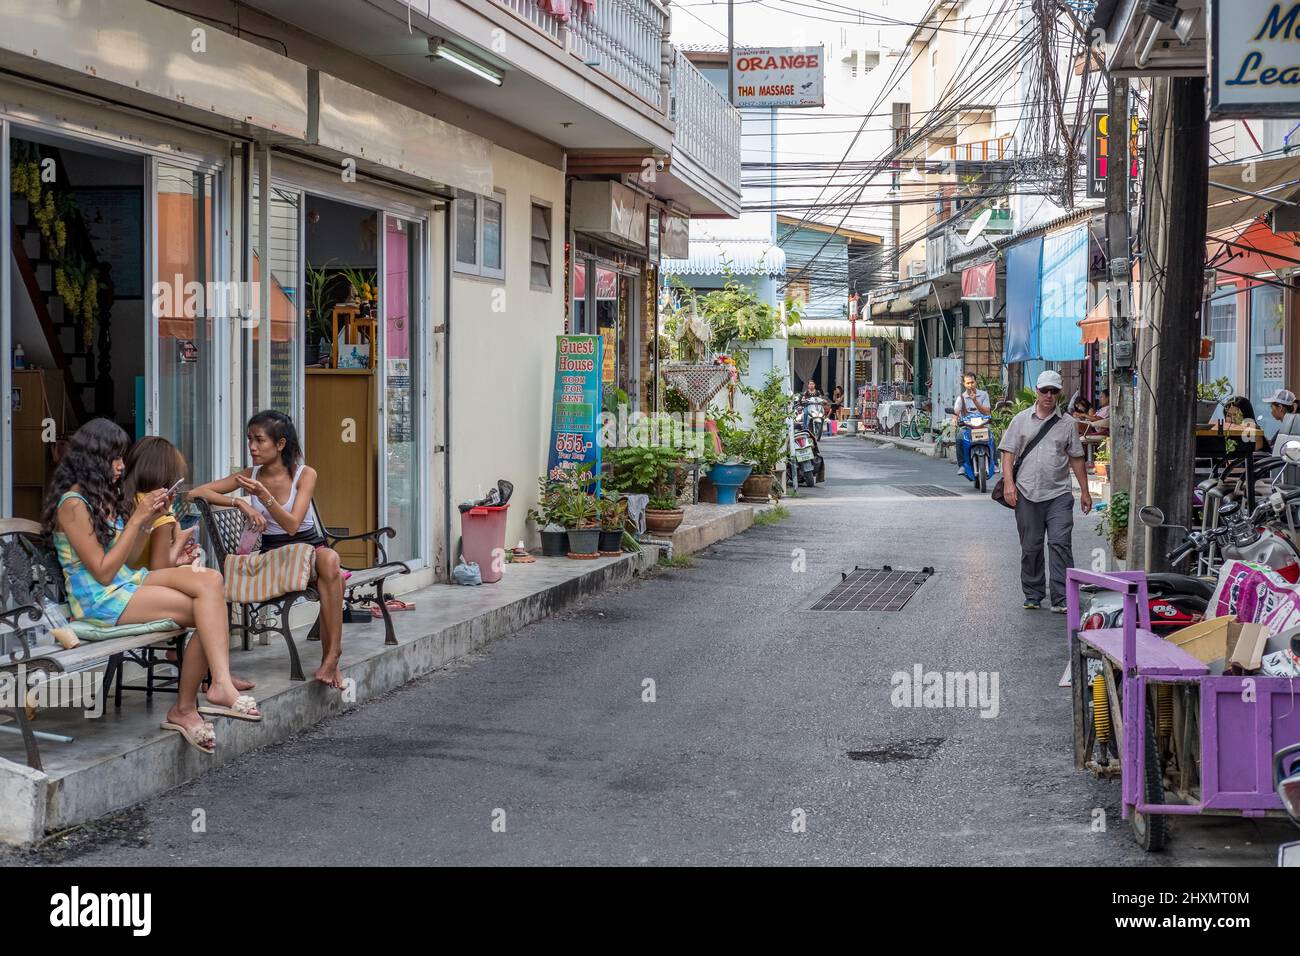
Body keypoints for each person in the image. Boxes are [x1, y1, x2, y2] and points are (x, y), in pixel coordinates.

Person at [42, 419, 260, 755]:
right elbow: (102, 572)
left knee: (212, 582)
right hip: (100, 601)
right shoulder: (73, 504)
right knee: (206, 610)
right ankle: (189, 705)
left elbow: (125, 561)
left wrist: (144, 521)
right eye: (114, 457)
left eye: (122, 457)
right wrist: (137, 520)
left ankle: (218, 684)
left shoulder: (101, 497)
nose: (121, 465)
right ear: (92, 458)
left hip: (123, 583)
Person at [191, 410, 347, 688]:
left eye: (259, 440)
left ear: (280, 444)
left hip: (308, 550)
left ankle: (332, 657)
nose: (252, 446)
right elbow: (197, 492)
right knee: (331, 565)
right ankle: (332, 658)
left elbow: (293, 525)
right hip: (276, 558)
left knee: (329, 560)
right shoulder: (250, 475)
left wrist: (264, 497)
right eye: (250, 439)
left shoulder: (304, 474)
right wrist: (241, 503)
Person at [123, 435, 255, 692]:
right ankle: (214, 677)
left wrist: (178, 555)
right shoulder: (160, 514)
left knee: (206, 588)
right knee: (211, 599)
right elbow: (160, 569)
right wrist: (178, 543)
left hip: (135, 581)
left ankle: (214, 676)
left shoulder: (132, 501)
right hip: (140, 588)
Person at [999, 370, 1092, 613]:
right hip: (1026, 494)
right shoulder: (1020, 419)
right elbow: (1008, 454)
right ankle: (1033, 593)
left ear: (1059, 394)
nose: (1049, 395)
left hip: (1058, 494)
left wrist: (1085, 491)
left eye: (1054, 391)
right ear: (1037, 391)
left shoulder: (1068, 423)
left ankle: (1061, 597)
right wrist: (1009, 485)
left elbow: (1076, 458)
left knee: (1061, 544)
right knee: (1031, 546)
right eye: (1045, 391)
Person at [952, 372, 991, 475]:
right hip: (968, 426)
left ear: (976, 382)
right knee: (959, 437)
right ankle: (962, 466)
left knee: (992, 437)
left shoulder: (983, 395)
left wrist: (975, 401)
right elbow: (956, 412)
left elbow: (987, 412)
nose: (970, 385)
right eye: (968, 383)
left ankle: (994, 463)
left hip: (982, 425)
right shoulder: (961, 398)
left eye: (972, 382)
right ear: (964, 384)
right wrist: (955, 419)